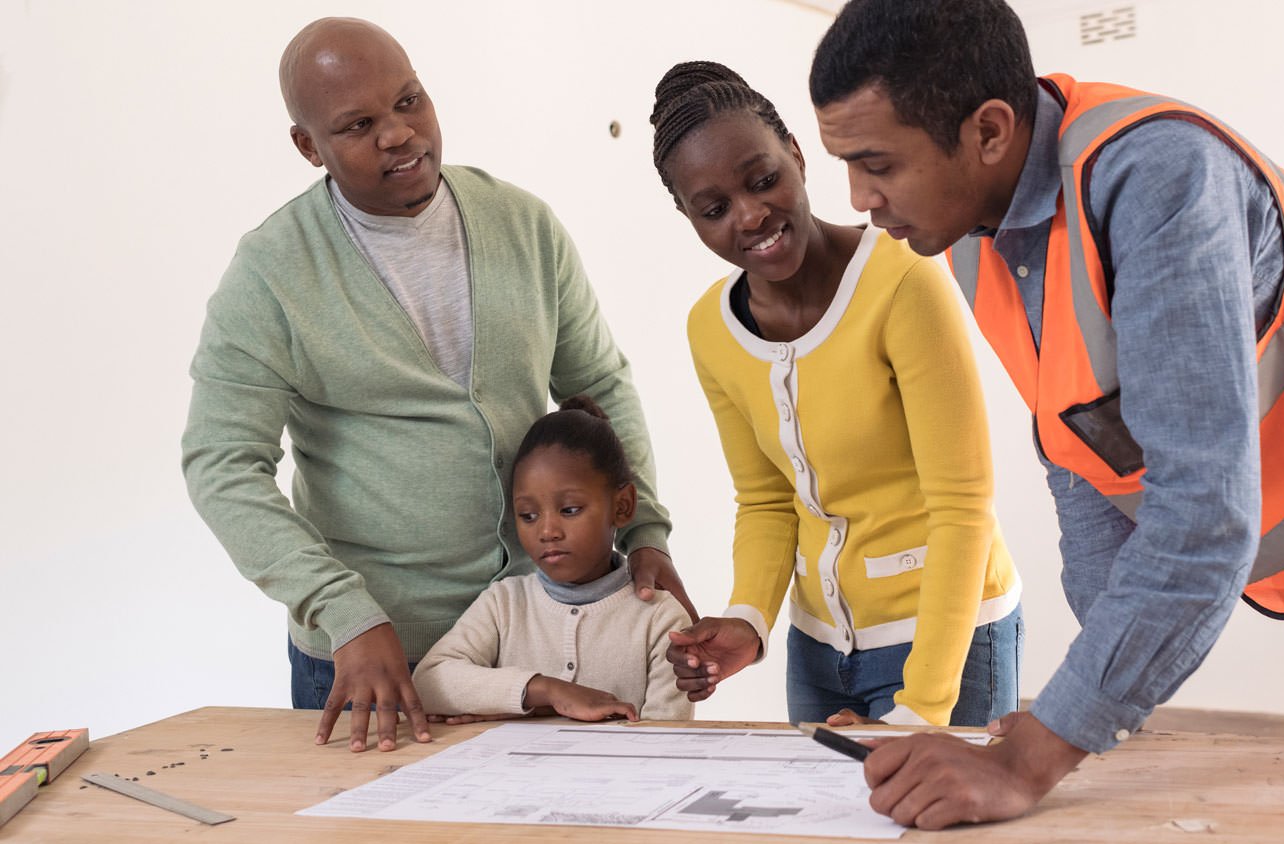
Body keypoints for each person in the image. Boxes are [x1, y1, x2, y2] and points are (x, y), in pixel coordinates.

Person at [807, 0, 1284, 828]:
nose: (859, 199)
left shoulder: (1158, 179)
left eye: (877, 163)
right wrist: (1095, 711)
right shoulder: (964, 228)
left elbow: (1201, 519)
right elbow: (1080, 452)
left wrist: (1038, 754)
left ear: (988, 132)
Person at [181, 17, 694, 754]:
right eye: (359, 124)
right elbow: (219, 463)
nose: (398, 134)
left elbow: (600, 385)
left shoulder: (524, 225)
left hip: (533, 644)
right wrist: (344, 611)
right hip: (371, 660)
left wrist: (644, 530)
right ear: (307, 147)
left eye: (410, 101)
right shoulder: (271, 274)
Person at [650, 61, 1023, 728]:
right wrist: (747, 620)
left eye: (763, 180)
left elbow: (964, 508)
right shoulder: (710, 328)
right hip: (818, 655)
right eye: (714, 209)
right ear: (688, 218)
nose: (752, 214)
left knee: (928, 832)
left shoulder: (903, 284)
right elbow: (766, 500)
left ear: (795, 153)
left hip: (948, 644)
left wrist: (920, 711)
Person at [412, 397, 693, 723]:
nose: (547, 531)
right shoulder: (504, 603)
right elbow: (429, 682)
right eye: (528, 515)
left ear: (623, 506)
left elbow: (666, 745)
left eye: (569, 510)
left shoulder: (661, 619)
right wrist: (546, 692)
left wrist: (496, 708)